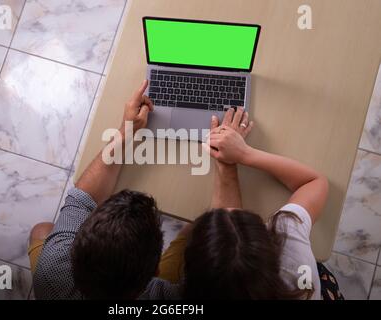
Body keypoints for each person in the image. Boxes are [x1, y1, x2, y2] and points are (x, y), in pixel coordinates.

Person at [160, 107, 342, 299]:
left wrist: (226, 162)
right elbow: (314, 183)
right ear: (272, 246)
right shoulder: (292, 258)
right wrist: (244, 154)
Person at [29, 80, 181, 299]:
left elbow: (82, 199)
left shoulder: (52, 271)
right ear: (155, 273)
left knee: (42, 231)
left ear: (75, 253)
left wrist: (127, 130)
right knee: (191, 233)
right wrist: (227, 166)